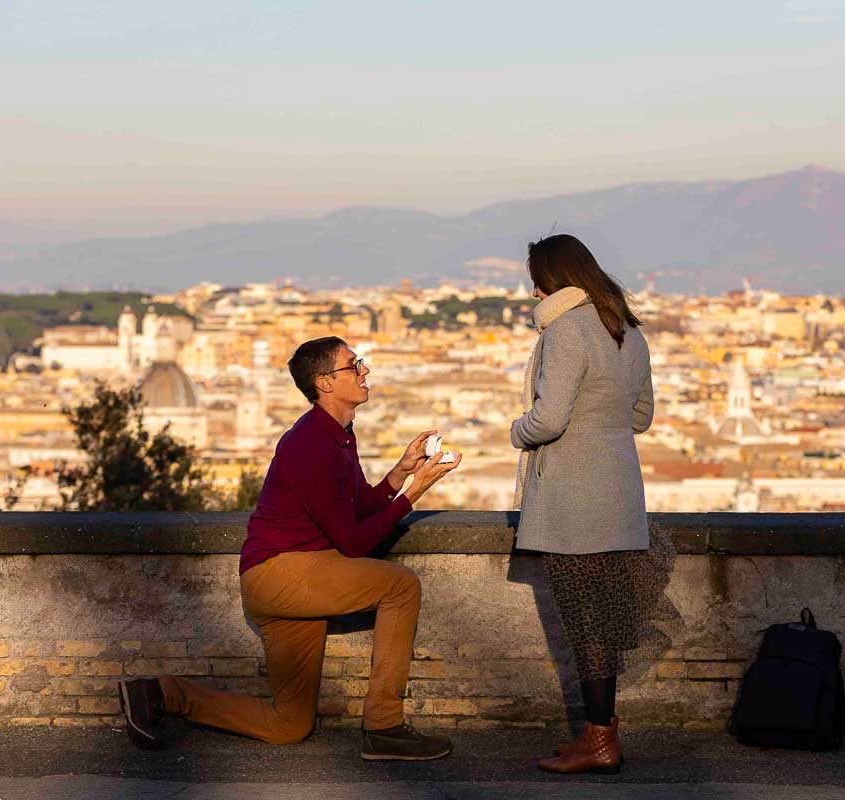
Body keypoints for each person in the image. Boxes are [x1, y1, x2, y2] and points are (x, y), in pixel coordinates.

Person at [119, 336, 461, 761]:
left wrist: (401, 474)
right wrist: (415, 495)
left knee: (289, 725)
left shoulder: (336, 435)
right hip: (283, 573)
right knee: (401, 586)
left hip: (289, 577)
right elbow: (354, 543)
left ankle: (160, 694)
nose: (364, 371)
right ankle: (384, 726)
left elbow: (354, 509)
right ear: (326, 382)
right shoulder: (310, 445)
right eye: (354, 365)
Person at [510, 234, 675, 774]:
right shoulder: (627, 331)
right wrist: (601, 424)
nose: (531, 288)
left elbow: (550, 419)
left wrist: (517, 430)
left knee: (585, 621)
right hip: (620, 490)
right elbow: (641, 416)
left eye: (535, 278)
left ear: (553, 280)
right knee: (600, 621)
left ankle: (601, 741)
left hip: (572, 496)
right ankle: (598, 734)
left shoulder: (566, 330)